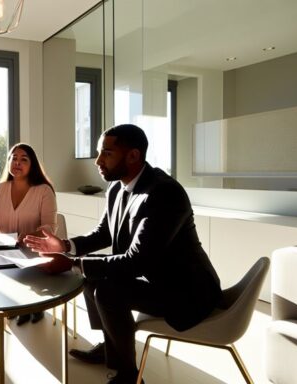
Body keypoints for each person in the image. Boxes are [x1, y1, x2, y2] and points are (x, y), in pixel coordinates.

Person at [24, 124, 221, 384]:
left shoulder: (164, 193)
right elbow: (104, 233)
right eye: (99, 152)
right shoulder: (117, 189)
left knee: (107, 289)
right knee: (92, 275)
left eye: (106, 153)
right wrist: (63, 246)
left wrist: (72, 263)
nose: (97, 161)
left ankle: (129, 376)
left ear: (133, 156)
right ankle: (111, 347)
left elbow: (137, 261)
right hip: (156, 280)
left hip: (187, 293)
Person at [0, 143, 58, 325]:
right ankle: (16, 305)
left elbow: (49, 228)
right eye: (14, 158)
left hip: (33, 253)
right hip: (4, 252)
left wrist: (28, 236)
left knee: (29, 292)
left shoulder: (44, 191)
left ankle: (33, 306)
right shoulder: (0, 189)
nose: (17, 163)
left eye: (23, 159)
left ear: (32, 165)